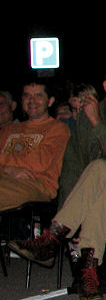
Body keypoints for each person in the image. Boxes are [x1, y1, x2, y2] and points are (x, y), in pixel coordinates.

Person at [8, 65, 106, 300]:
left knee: (99, 168)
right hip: (100, 184)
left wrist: (97, 121)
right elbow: (73, 166)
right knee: (102, 191)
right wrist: (68, 211)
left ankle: (52, 237)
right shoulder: (88, 115)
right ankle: (89, 274)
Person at [0, 81, 70, 211]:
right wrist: (7, 169)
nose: (32, 101)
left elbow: (39, 162)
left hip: (35, 184)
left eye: (38, 95)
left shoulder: (58, 129)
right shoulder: (9, 130)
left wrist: (3, 161)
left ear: (50, 101)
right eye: (27, 96)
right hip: (5, 178)